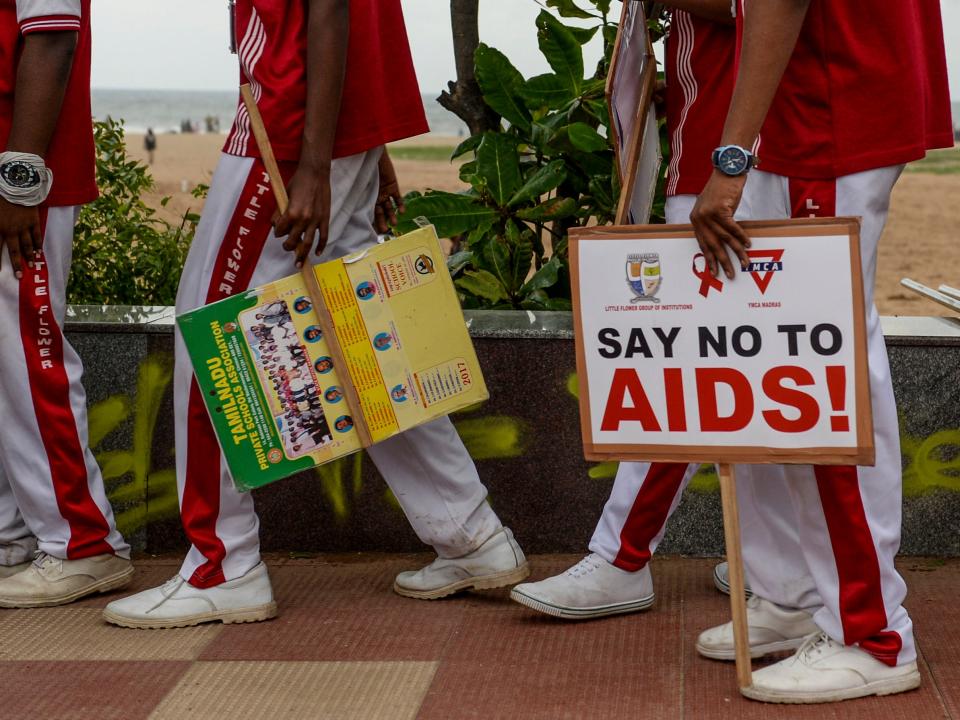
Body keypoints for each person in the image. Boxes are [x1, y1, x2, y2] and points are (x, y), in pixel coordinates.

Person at [103, 0, 527, 629]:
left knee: (211, 328)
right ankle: (468, 533)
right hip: (322, 126)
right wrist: (362, 148)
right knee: (356, 331)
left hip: (288, 127)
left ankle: (222, 565)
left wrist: (311, 166)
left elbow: (327, 8)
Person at [685, 0, 952, 704]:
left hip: (824, 101)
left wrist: (732, 154)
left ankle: (872, 633)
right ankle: (800, 594)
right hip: (818, 94)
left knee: (818, 372)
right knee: (784, 362)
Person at [512, 0, 741, 620]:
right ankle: (786, 561)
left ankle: (623, 557)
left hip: (734, 150)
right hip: (721, 138)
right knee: (740, 358)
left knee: (688, 364)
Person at [0, 0, 132, 607]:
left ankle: (84, 543)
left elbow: (53, 37)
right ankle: (13, 535)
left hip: (18, 181)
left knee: (30, 357)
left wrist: (19, 183)